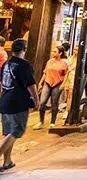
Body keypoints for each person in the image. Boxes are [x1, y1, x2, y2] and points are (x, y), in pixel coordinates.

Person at [0, 39, 38, 173]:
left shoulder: (6, 64)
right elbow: (31, 85)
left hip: (5, 100)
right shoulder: (24, 65)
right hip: (18, 102)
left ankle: (7, 161)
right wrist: (36, 101)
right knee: (17, 131)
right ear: (24, 49)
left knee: (8, 132)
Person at [33, 45, 70, 130]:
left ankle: (52, 122)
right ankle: (41, 121)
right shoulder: (49, 61)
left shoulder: (65, 62)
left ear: (60, 53)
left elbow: (67, 74)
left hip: (58, 83)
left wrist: (63, 84)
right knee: (42, 102)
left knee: (54, 102)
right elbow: (45, 72)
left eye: (55, 51)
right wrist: (40, 83)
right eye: (53, 51)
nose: (53, 53)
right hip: (47, 82)